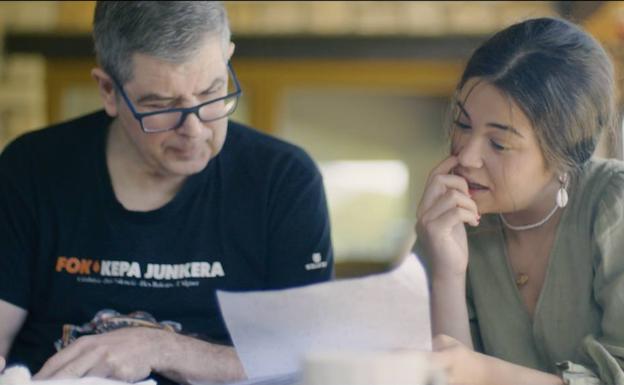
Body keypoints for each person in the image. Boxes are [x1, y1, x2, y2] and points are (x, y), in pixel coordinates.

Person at [0, 1, 333, 383]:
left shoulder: (283, 180)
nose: (194, 129)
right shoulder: (32, 168)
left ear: (228, 60)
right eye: (161, 105)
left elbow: (304, 359)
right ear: (108, 90)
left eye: (211, 92)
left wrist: (161, 348)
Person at [414, 17, 624, 385]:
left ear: (567, 152)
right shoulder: (450, 216)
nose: (467, 156)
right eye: (463, 125)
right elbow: (444, 378)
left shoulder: (612, 203)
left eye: (499, 143)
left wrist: (482, 373)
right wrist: (447, 273)